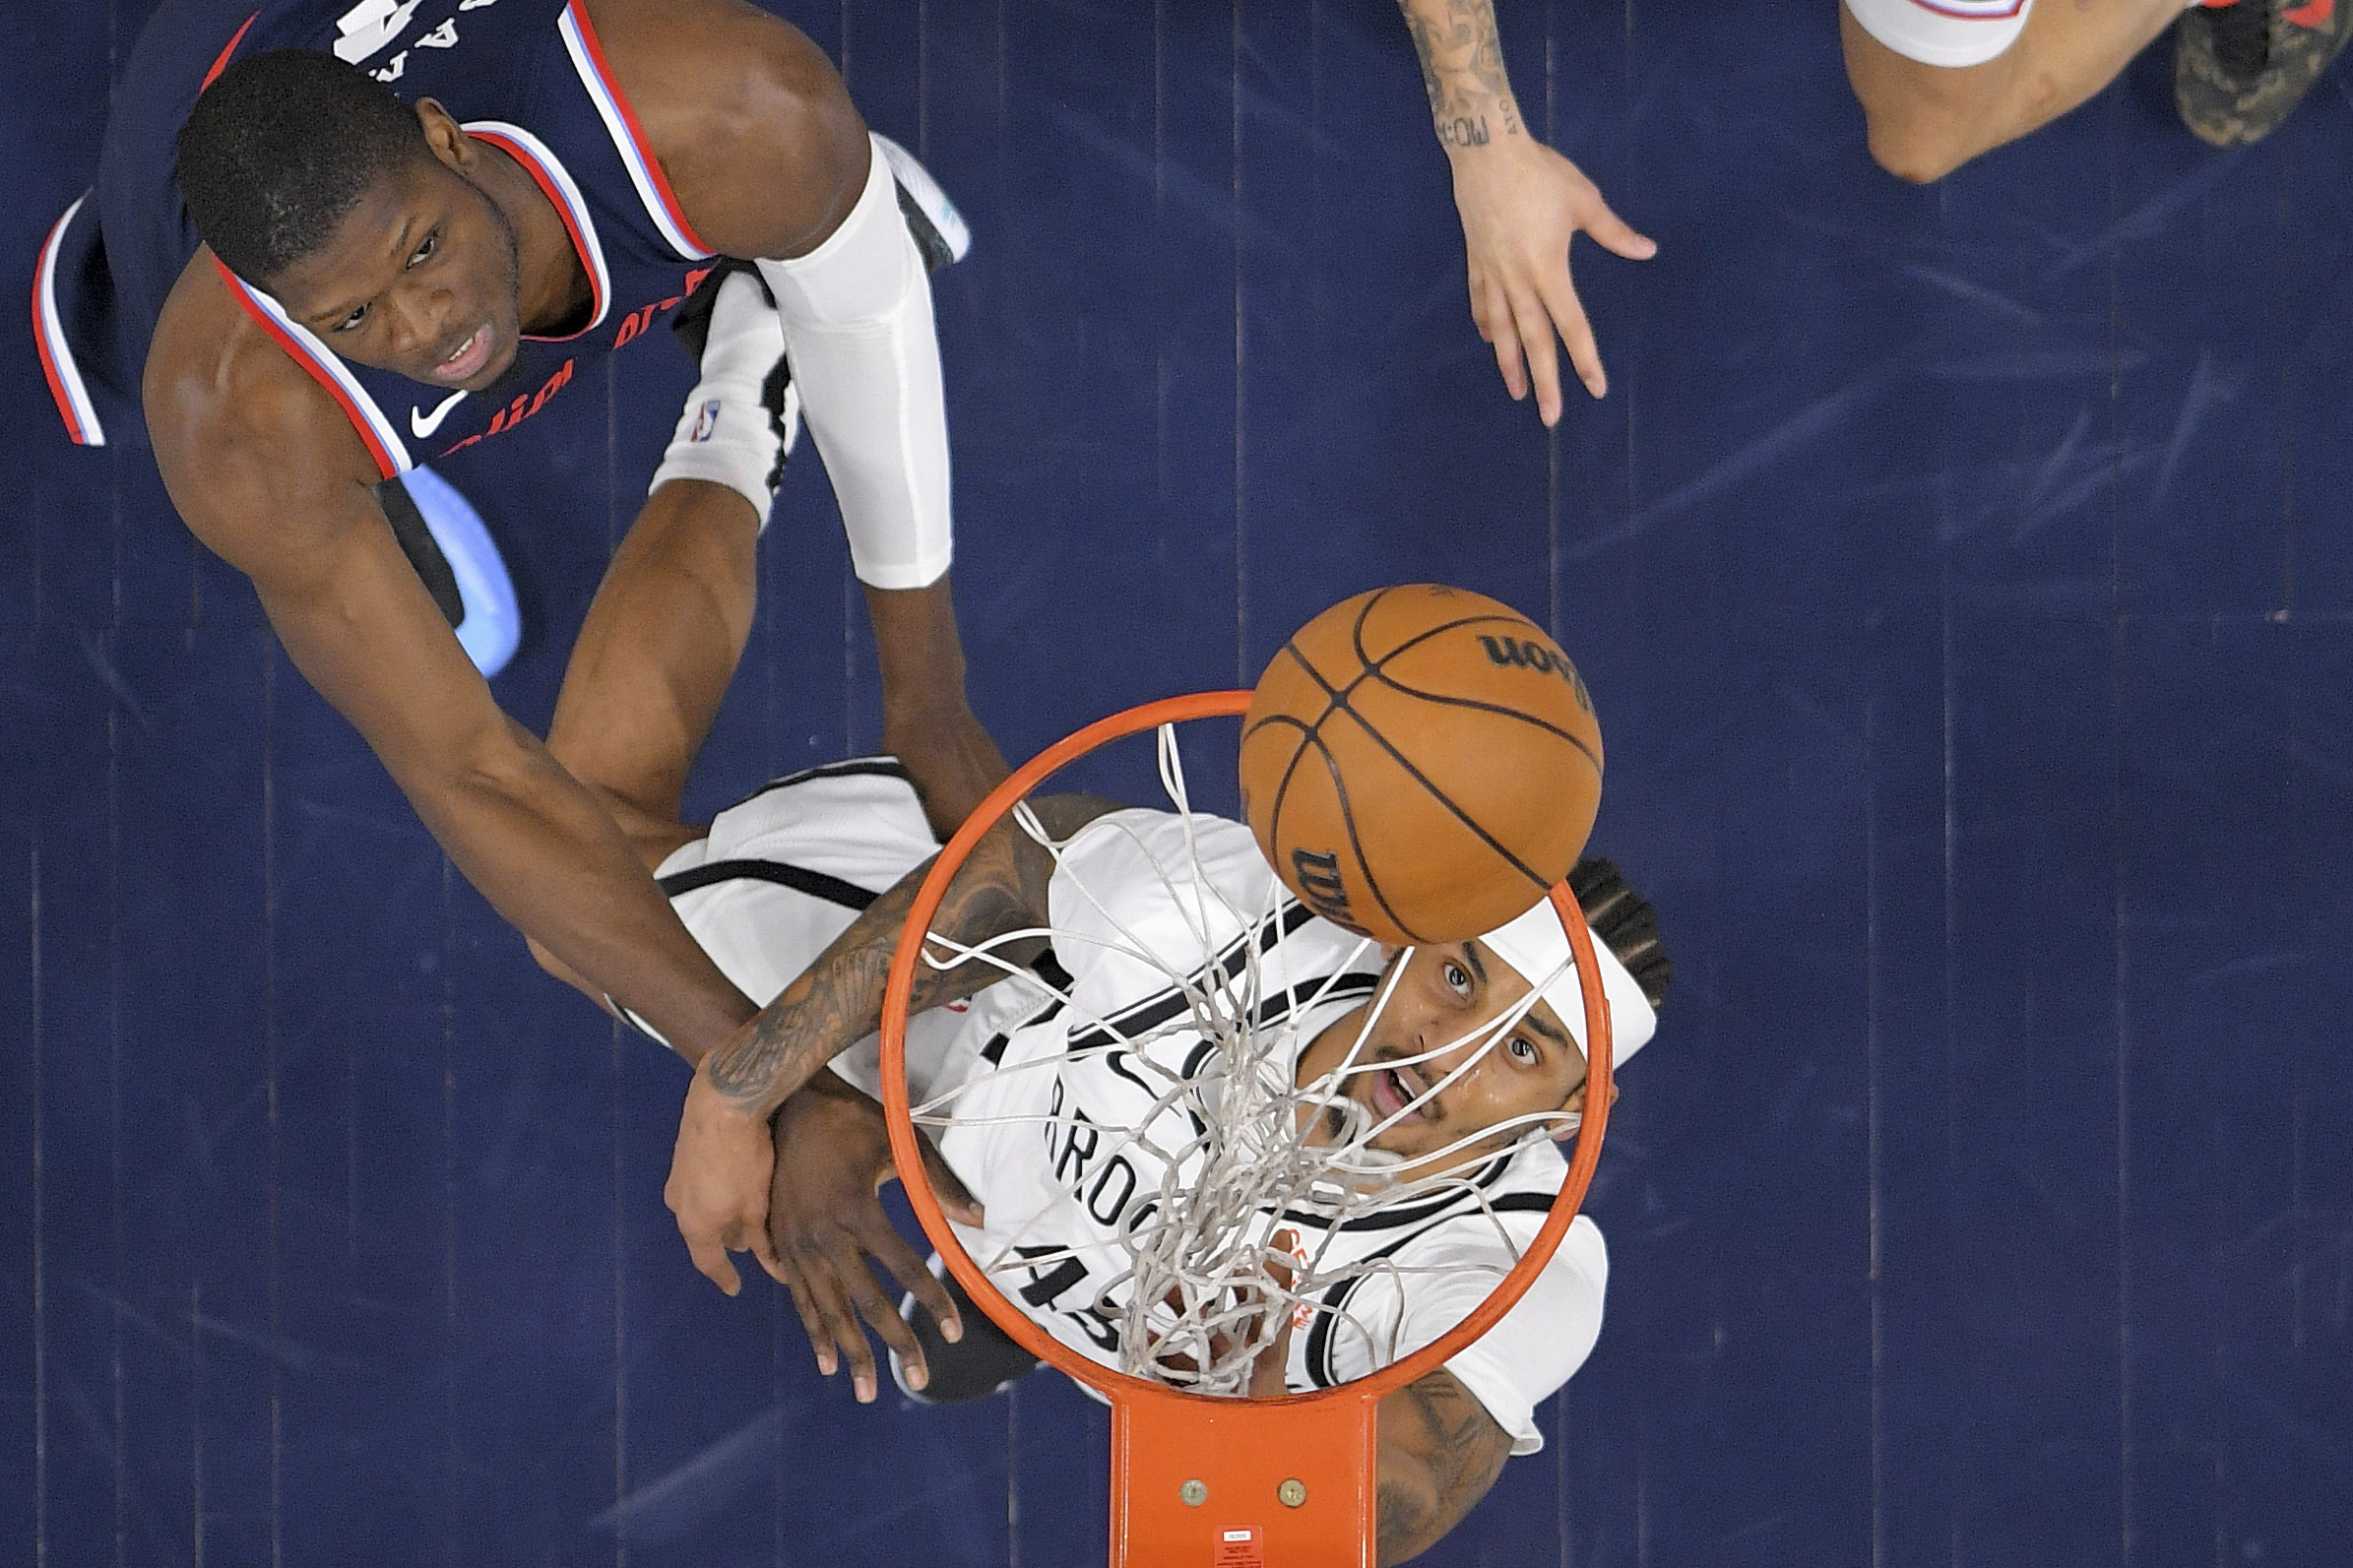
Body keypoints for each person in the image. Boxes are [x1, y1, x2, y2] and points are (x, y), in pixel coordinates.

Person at [29, 0, 1007, 1069]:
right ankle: (376, 493)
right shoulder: (237, 406)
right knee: (276, 480)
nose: (426, 325)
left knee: (816, 188)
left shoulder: (727, 112)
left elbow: (863, 316)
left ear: (445, 137)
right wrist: (758, 1082)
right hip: (204, 120)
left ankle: (764, 313)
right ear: (271, 309)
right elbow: (473, 774)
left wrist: (930, 697)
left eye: (423, 250)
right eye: (352, 318)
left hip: (610, 131)